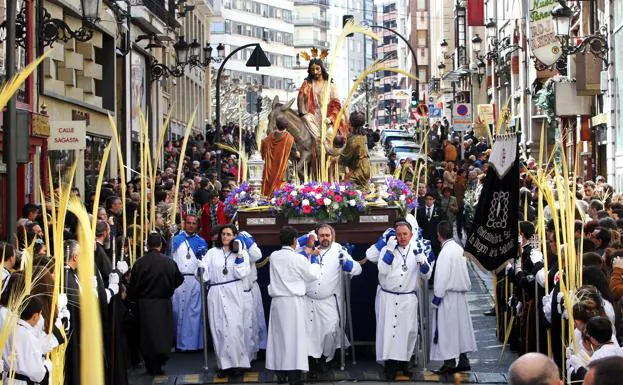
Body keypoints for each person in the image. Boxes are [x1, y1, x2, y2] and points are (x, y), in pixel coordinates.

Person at [371, 220, 432, 379]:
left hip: (407, 298)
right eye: (399, 234)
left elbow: (427, 276)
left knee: (407, 332)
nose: (402, 237)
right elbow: (382, 270)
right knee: (389, 332)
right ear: (395, 236)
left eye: (405, 234)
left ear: (411, 235)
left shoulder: (417, 250)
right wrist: (390, 251)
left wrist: (422, 261)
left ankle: (405, 363)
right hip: (389, 297)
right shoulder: (387, 248)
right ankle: (390, 366)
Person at [299, 224, 362, 376]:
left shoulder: (339, 251)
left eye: (328, 235)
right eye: (322, 235)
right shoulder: (307, 249)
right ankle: (312, 362)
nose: (325, 238)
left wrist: (347, 265)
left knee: (329, 331)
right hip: (308, 300)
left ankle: (325, 358)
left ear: (333, 237)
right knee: (308, 333)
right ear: (317, 236)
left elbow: (358, 269)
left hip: (328, 301)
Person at [265, 226, 321, 385]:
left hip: (277, 302)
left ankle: (280, 372)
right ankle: (294, 376)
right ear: (294, 241)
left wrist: (305, 239)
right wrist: (315, 258)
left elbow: (293, 251)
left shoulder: (274, 256)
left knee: (279, 338)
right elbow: (312, 275)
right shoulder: (298, 259)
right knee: (295, 339)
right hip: (293, 302)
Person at [128, 232, 183, 375]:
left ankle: (150, 363)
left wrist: (132, 298)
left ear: (147, 245)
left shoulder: (139, 263)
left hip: (145, 304)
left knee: (147, 335)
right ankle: (160, 361)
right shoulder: (169, 262)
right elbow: (179, 279)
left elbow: (133, 284)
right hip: (163, 303)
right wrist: (169, 287)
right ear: (160, 245)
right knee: (162, 333)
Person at [199, 224, 251, 377]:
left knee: (235, 328)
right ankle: (224, 365)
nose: (225, 237)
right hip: (216, 292)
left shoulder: (241, 253)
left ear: (234, 236)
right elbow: (204, 275)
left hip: (233, 292)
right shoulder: (212, 253)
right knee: (219, 329)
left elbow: (242, 272)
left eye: (229, 234)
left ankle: (238, 363)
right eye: (223, 234)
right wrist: (200, 266)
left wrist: (240, 255)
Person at [430, 221, 477, 374]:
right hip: (460, 296)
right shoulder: (458, 248)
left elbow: (441, 277)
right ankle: (463, 360)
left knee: (448, 330)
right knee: (460, 330)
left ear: (438, 235)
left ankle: (450, 363)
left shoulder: (445, 252)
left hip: (448, 296)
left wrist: (437, 297)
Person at [170, 211, 208, 351]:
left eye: (194, 223)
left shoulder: (201, 241)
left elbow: (205, 262)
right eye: (189, 223)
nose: (191, 226)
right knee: (177, 311)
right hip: (179, 280)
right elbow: (170, 259)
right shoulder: (175, 240)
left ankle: (192, 344)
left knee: (193, 313)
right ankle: (178, 343)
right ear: (184, 224)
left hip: (195, 280)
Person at [297, 55, 345, 141]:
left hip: (327, 116)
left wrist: (330, 118)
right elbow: (301, 101)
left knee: (330, 133)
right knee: (306, 118)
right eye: (312, 70)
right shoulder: (308, 84)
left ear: (322, 69)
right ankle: (318, 140)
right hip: (313, 115)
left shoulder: (331, 85)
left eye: (317, 69)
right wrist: (303, 94)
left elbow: (336, 104)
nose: (315, 72)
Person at [236, 231, 268, 362]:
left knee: (257, 319)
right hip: (240, 289)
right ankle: (247, 353)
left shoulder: (244, 236)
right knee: (246, 323)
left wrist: (247, 241)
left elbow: (257, 255)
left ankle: (260, 348)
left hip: (252, 286)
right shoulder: (231, 245)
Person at [8, 297, 53, 385]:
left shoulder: (9, 330)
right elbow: (37, 373)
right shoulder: (29, 337)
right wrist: (47, 366)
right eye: (40, 314)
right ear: (35, 316)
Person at [260, 116, 296, 196]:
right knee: (281, 189)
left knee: (269, 187)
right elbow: (294, 154)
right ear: (286, 126)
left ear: (276, 125)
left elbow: (262, 151)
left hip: (269, 169)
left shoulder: (268, 138)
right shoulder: (289, 138)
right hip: (282, 169)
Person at [340, 111, 371, 190]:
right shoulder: (363, 136)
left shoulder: (354, 139)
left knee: (342, 187)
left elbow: (344, 156)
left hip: (359, 170)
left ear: (351, 123)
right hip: (366, 167)